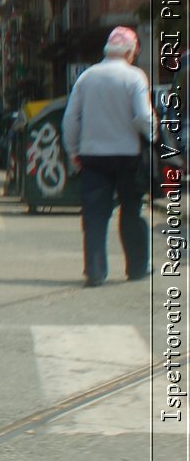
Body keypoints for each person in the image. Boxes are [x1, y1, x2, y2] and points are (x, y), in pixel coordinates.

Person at [61, 26, 154, 287]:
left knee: (94, 215)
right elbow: (144, 117)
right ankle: (136, 267)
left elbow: (70, 119)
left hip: (93, 157)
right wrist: (152, 134)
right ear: (128, 52)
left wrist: (73, 151)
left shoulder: (87, 77)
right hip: (128, 157)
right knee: (132, 212)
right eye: (134, 52)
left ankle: (95, 270)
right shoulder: (135, 77)